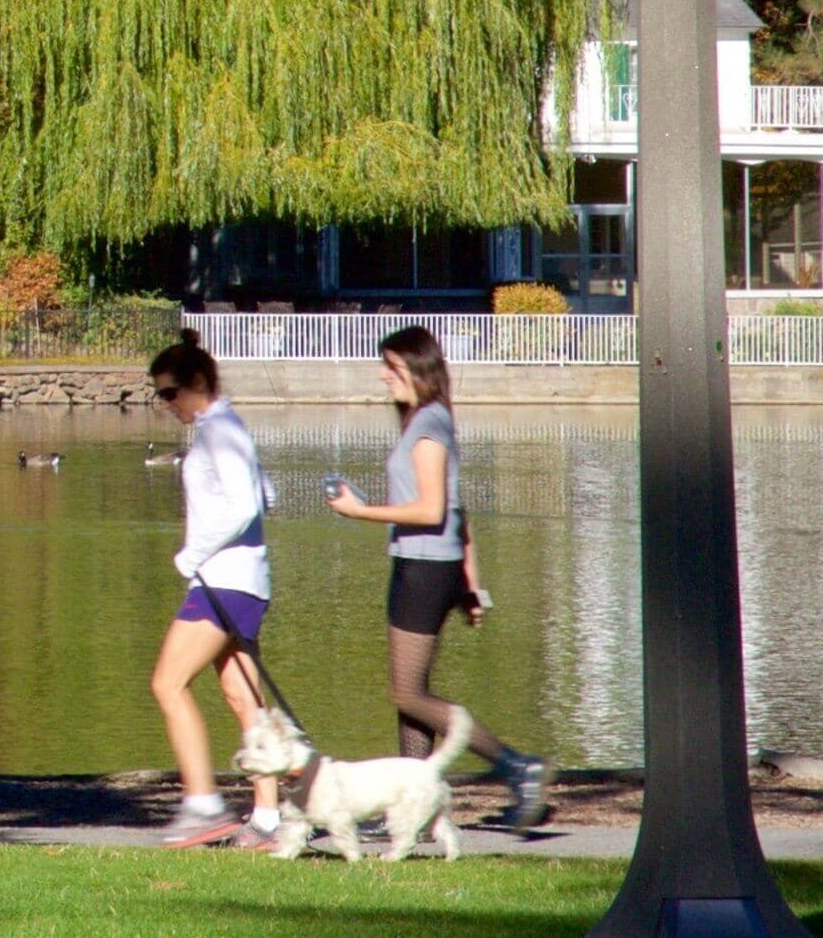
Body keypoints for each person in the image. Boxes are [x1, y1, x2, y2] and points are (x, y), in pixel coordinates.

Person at [322, 325, 556, 829]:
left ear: (420, 370)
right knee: (412, 694)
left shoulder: (429, 424)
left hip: (425, 568)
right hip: (428, 566)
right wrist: (471, 585)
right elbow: (458, 513)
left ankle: (518, 766)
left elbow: (431, 510)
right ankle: (411, 809)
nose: (384, 376)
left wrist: (358, 511)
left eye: (393, 367)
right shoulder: (427, 420)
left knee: (408, 695)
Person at [147, 333, 283, 847]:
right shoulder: (227, 427)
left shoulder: (219, 431)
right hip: (242, 581)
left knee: (168, 683)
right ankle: (268, 820)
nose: (166, 404)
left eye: (170, 393)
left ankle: (203, 805)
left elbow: (245, 507)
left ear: (198, 383)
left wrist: (193, 552)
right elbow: (266, 494)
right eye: (160, 395)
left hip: (223, 583)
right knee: (242, 697)